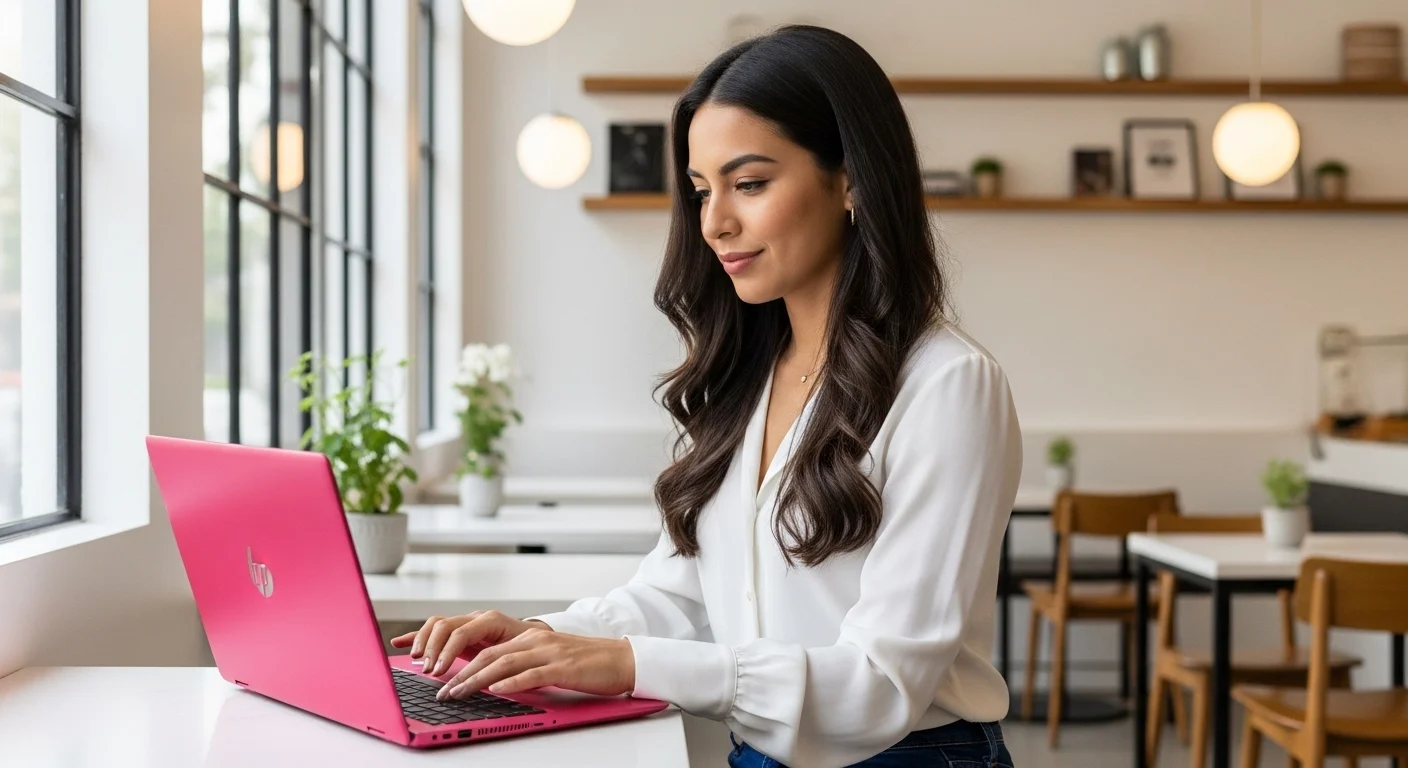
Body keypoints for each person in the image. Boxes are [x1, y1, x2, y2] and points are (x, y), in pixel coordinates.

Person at [391, 25, 1021, 768]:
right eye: (700, 190)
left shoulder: (948, 386)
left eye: (749, 184)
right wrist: (539, 638)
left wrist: (626, 664)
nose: (715, 221)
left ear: (851, 180)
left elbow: (879, 687)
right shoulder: (749, 377)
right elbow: (680, 596)